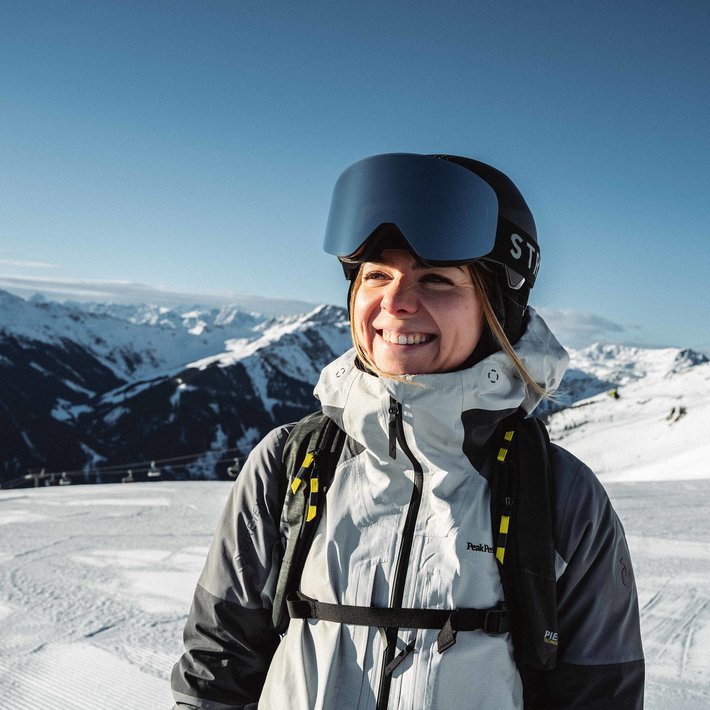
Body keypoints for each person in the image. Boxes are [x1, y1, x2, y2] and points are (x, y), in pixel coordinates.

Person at [171, 153, 644, 709]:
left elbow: (600, 697)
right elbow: (217, 667)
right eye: (376, 275)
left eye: (436, 279)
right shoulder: (288, 464)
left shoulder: (562, 497)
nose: (395, 302)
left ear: (497, 309)